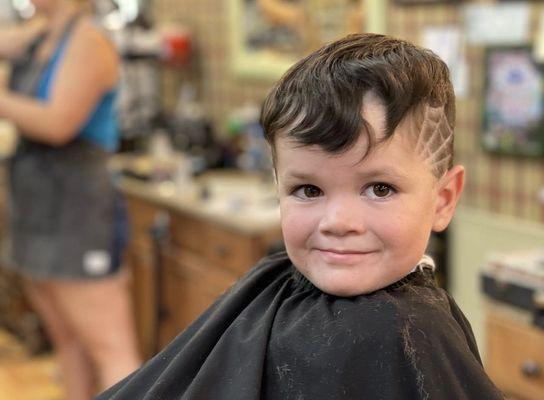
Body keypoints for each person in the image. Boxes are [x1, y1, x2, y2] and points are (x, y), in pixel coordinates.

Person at [97, 33, 504, 399]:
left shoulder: (400, 332)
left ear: (443, 199)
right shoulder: (277, 287)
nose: (339, 222)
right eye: (308, 190)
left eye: (380, 189)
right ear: (278, 186)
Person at [0, 0, 141, 399]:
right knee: (67, 340)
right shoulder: (40, 35)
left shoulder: (89, 42)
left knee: (112, 348)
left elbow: (58, 123)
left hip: (79, 211)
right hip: (36, 207)